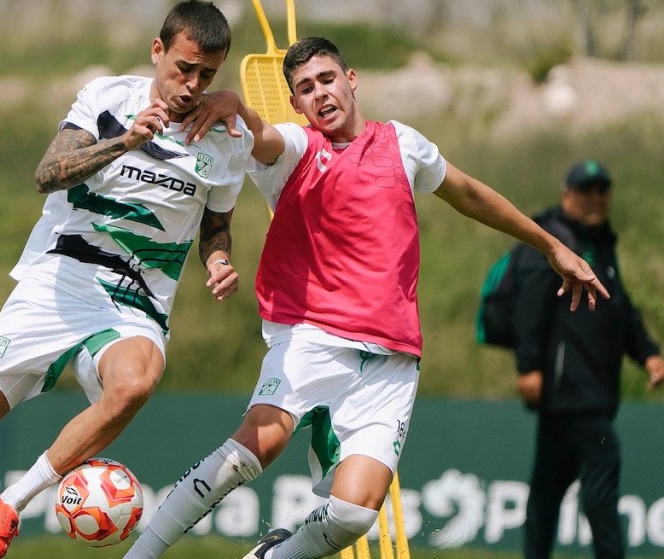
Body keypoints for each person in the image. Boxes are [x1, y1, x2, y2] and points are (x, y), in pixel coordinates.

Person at [122, 36, 608, 559]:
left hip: (391, 356)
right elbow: (262, 136)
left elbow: (468, 194)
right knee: (253, 449)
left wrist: (552, 246)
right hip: (309, 334)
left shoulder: (403, 143)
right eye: (306, 88)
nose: (320, 93)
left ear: (351, 80)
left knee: (353, 514)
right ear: (296, 104)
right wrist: (238, 108)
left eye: (327, 79)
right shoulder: (297, 149)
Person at [0, 0, 255, 559]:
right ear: (157, 51)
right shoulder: (107, 98)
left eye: (207, 75)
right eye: (183, 68)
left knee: (135, 383)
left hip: (135, 301)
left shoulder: (226, 139)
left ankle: (11, 503)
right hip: (57, 283)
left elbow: (216, 227)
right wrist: (125, 142)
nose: (192, 86)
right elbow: (48, 174)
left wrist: (217, 261)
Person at [513, 160, 663, 559]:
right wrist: (529, 366)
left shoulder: (602, 245)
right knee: (603, 466)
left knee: (546, 492)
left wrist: (648, 353)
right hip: (571, 389)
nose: (595, 199)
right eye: (586, 191)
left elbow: (620, 309)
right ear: (567, 195)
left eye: (601, 191)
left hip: (589, 391)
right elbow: (528, 307)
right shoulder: (551, 241)